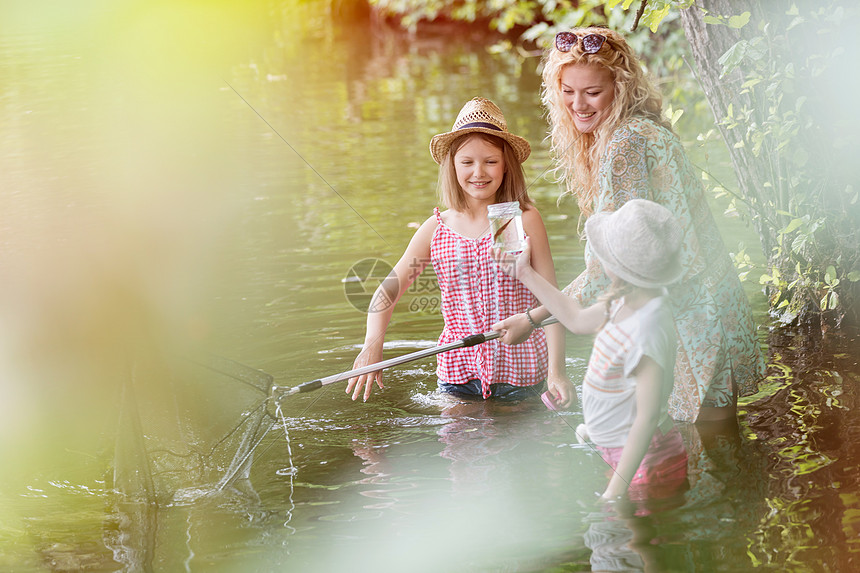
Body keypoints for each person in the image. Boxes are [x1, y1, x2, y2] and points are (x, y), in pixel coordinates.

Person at [494, 27, 765, 423]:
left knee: (699, 455)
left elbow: (610, 270)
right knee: (713, 455)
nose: (578, 104)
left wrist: (532, 317)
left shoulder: (624, 145)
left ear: (619, 88)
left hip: (687, 321)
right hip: (710, 307)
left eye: (592, 92)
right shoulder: (641, 131)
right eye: (568, 91)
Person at [346, 97, 572, 405]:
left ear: (506, 165)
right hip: (457, 378)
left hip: (523, 375)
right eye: (467, 162)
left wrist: (557, 372)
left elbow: (552, 300)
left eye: (490, 161)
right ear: (452, 166)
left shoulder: (522, 219)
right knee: (458, 449)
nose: (478, 172)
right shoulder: (436, 227)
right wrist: (372, 344)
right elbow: (387, 290)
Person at [492, 199, 688, 502]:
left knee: (637, 539)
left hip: (648, 461)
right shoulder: (626, 299)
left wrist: (615, 491)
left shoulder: (648, 329)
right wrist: (525, 274)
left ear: (620, 269)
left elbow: (647, 420)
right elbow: (577, 319)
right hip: (621, 452)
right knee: (618, 543)